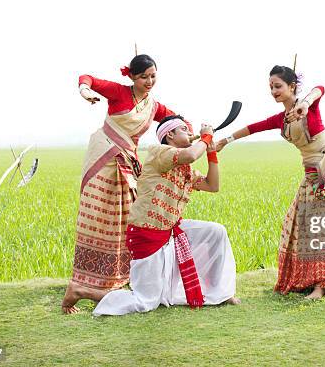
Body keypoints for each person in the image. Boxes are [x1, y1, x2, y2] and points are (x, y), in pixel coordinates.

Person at [216, 65, 325, 299]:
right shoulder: (282, 118)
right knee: (298, 221)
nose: (273, 90)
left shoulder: (308, 108)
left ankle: (322, 285)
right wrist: (226, 140)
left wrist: (306, 103)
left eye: (278, 86)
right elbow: (254, 127)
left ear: (292, 87)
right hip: (311, 171)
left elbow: (320, 88)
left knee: (322, 223)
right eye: (271, 87)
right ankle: (309, 279)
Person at [62, 54, 185, 314]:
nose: (149, 81)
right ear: (131, 76)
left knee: (128, 214)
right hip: (104, 155)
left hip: (128, 160)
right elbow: (88, 79)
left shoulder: (153, 106)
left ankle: (121, 276)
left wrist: (189, 136)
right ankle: (85, 279)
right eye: (143, 77)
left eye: (153, 76)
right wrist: (85, 91)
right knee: (100, 214)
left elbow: (175, 120)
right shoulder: (118, 92)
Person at [92, 116, 239, 316]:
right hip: (147, 234)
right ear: (170, 134)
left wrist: (211, 153)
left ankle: (219, 291)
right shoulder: (159, 153)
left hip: (170, 230)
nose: (189, 133)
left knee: (216, 232)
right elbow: (190, 155)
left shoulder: (185, 167)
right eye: (184, 130)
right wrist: (205, 138)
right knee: (146, 301)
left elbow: (213, 186)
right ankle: (86, 291)